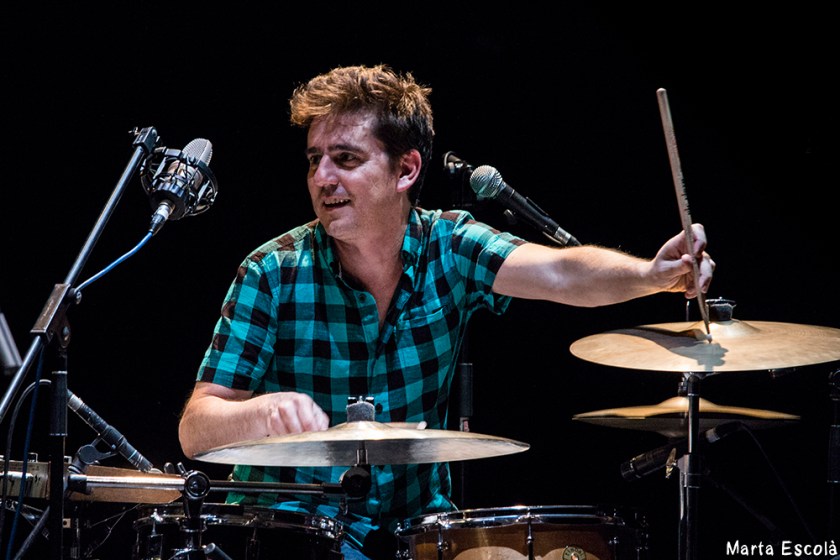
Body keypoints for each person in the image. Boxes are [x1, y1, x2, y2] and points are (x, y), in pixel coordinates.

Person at [178, 63, 715, 560]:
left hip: (414, 531)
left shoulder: (450, 245)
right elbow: (195, 428)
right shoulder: (271, 271)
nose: (322, 177)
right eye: (314, 159)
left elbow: (560, 271)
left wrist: (651, 275)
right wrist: (261, 412)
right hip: (289, 534)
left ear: (406, 169)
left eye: (346, 159)